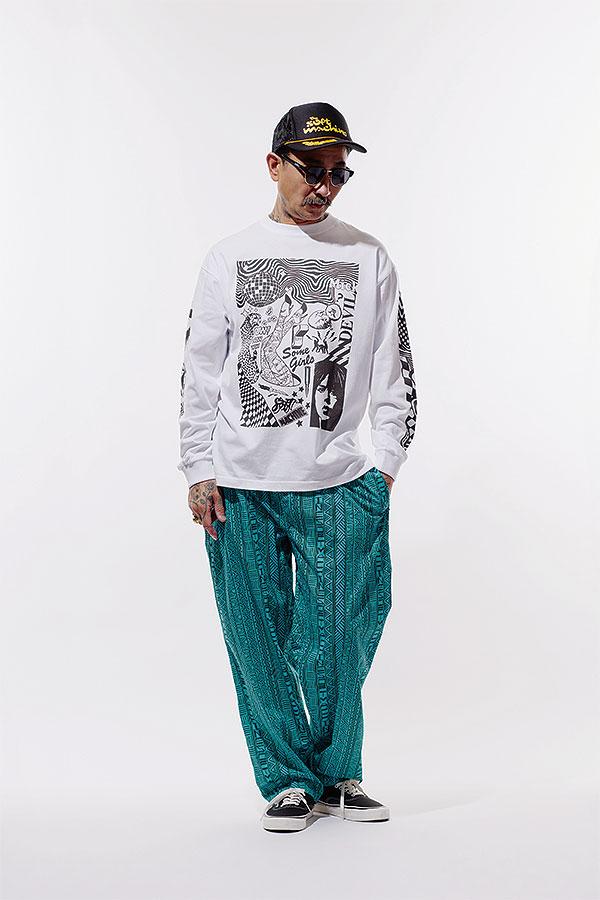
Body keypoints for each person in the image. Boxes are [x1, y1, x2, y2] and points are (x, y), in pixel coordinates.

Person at [177, 101, 418, 833]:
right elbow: (200, 369)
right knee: (255, 637)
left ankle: (338, 772)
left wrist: (386, 467)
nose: (324, 185)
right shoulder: (230, 256)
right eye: (311, 169)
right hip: (240, 483)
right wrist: (197, 467)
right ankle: (287, 779)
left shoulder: (368, 255)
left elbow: (394, 369)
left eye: (339, 173)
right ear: (274, 164)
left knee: (341, 632)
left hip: (340, 481)